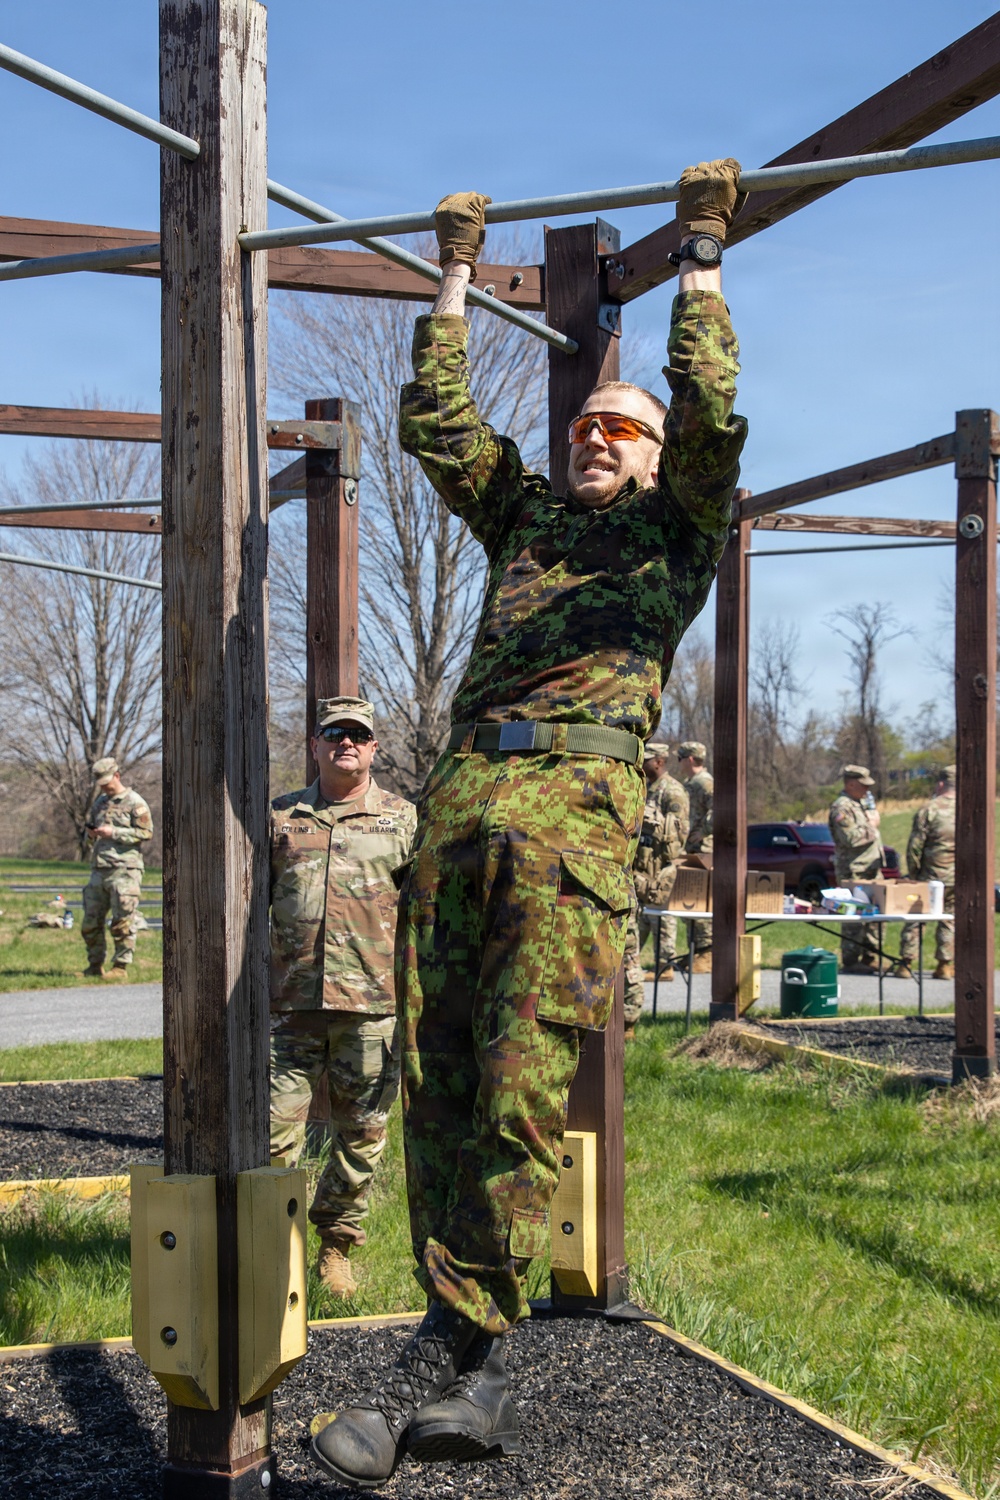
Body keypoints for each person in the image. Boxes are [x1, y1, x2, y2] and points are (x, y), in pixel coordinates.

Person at [312, 160, 748, 1489]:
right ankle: (469, 1363)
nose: (595, 439)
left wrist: (701, 259)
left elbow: (711, 416)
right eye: (586, 427)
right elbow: (439, 426)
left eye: (620, 428)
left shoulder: (677, 534)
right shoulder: (529, 524)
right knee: (438, 1084)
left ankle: (445, 1360)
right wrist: (451, 278)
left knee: (516, 1090)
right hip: (459, 822)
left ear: (656, 457)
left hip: (568, 840)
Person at [269, 697, 416, 1299]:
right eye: (334, 734)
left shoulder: (402, 819)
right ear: (315, 745)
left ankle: (335, 1247)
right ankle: (275, 1250)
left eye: (357, 734)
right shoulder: (281, 817)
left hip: (371, 1006)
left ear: (374, 747)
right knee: (273, 1136)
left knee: (361, 1137)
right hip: (291, 1006)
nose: (345, 743)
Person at [623, 742, 690, 1033]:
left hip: (658, 871)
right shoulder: (644, 785)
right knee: (637, 929)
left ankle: (665, 966)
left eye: (648, 759)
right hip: (638, 869)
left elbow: (677, 836)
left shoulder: (672, 791)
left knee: (661, 920)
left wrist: (649, 823)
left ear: (660, 762)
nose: (643, 763)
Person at [81, 757, 153, 979]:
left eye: (107, 782)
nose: (104, 787)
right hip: (100, 868)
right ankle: (94, 966)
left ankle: (120, 967)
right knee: (90, 922)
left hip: (125, 870)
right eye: (101, 784)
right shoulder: (100, 803)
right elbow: (90, 838)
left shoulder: (134, 802)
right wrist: (91, 835)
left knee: (122, 922)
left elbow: (146, 833)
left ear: (117, 776)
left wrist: (115, 832)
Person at [897, 764, 955, 981]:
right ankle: (944, 965)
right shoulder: (969, 809)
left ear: (940, 784)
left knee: (916, 917)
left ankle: (906, 963)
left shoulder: (929, 810)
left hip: (929, 876)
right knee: (949, 918)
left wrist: (913, 874)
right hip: (956, 877)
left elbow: (915, 847)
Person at [829, 764, 886, 974]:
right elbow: (850, 839)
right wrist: (872, 826)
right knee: (854, 918)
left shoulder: (860, 804)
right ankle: (851, 961)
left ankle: (871, 957)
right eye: (863, 785)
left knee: (876, 917)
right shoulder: (842, 807)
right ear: (851, 784)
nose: (867, 790)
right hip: (854, 870)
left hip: (871, 868)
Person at [677, 741, 713, 972]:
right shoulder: (691, 783)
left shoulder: (704, 782)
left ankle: (707, 953)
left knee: (700, 900)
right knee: (689, 900)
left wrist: (705, 831)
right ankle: (695, 951)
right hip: (691, 849)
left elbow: (720, 809)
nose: (679, 763)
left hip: (703, 850)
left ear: (690, 759)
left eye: (680, 758)